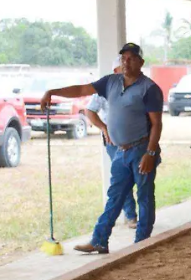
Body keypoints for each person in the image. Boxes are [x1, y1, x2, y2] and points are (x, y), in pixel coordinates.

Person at [40, 42, 164, 254]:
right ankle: (99, 239)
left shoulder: (149, 88)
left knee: (144, 195)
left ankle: (142, 241)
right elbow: (81, 89)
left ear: (141, 62)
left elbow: (157, 124)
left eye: (132, 58)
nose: (126, 61)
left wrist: (150, 153)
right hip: (119, 151)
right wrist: (52, 92)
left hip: (141, 149)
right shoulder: (111, 82)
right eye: (124, 58)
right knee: (115, 196)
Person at [84, 55, 137, 230]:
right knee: (123, 176)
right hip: (113, 141)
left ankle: (139, 215)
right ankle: (130, 215)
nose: (127, 70)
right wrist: (104, 128)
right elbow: (90, 110)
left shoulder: (137, 86)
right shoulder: (105, 89)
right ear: (115, 71)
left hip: (136, 140)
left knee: (138, 176)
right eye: (123, 67)